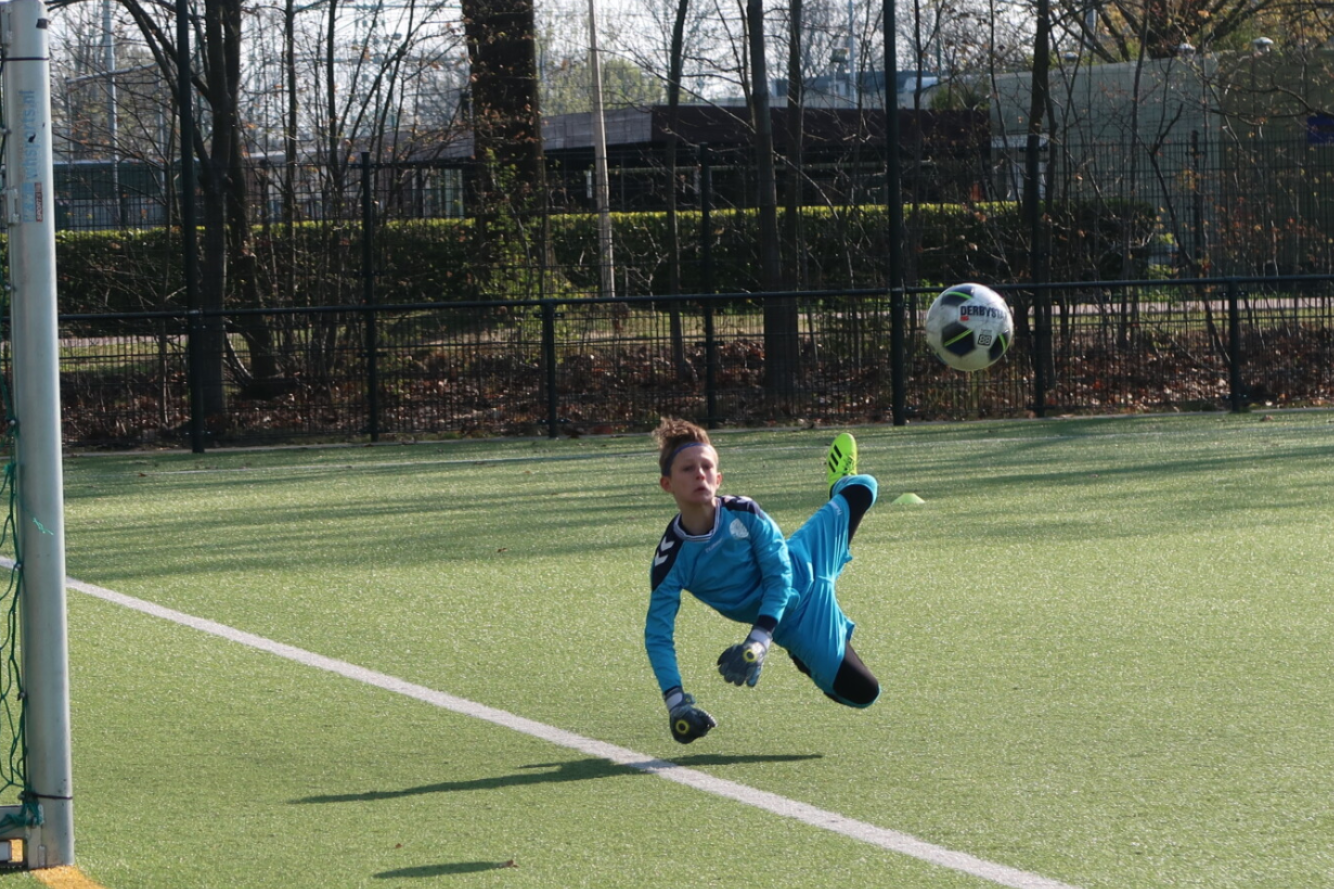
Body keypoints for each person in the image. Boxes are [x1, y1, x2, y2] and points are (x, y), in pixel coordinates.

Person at [645, 417, 881, 744]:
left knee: (864, 486)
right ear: (667, 484)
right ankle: (805, 657)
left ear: (718, 478)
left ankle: (840, 480)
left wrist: (758, 640)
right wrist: (676, 703)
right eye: (687, 469)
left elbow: (779, 575)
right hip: (797, 621)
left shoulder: (744, 511)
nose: (700, 474)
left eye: (707, 466)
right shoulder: (671, 561)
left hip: (807, 556)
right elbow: (658, 635)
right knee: (864, 693)